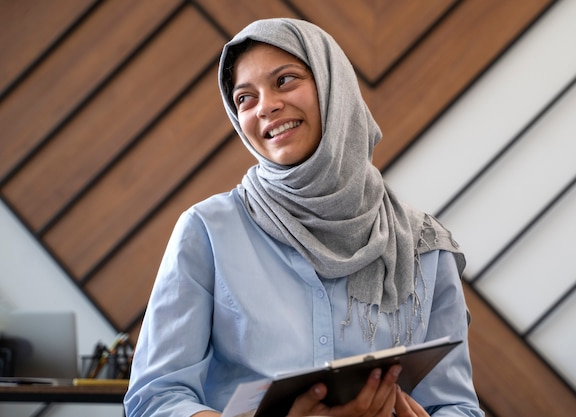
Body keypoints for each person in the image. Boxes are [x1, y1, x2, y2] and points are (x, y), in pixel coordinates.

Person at [124, 18, 484, 417]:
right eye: (244, 98)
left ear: (334, 86)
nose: (266, 106)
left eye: (285, 81)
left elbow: (456, 406)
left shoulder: (423, 247)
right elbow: (155, 399)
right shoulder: (208, 231)